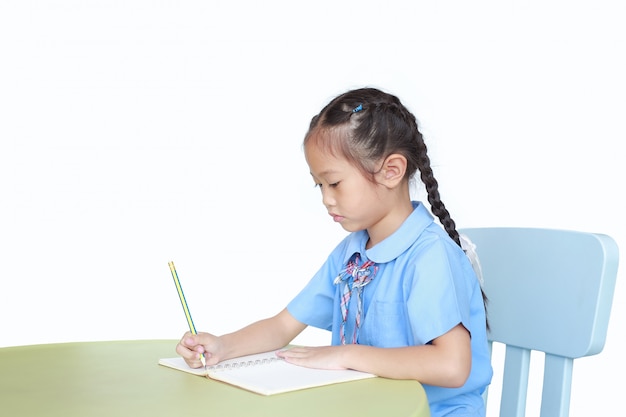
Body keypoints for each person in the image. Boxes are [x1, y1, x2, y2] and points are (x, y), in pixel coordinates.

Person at [177, 87, 493, 417]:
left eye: (335, 183)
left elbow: (452, 365)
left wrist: (346, 354)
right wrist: (222, 347)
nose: (326, 199)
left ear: (391, 171)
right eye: (320, 185)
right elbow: (283, 326)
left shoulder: (430, 257)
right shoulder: (352, 254)